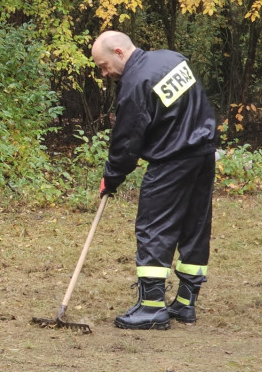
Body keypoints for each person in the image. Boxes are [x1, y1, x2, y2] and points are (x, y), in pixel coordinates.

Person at [91, 31, 217, 329]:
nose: (104, 73)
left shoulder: (135, 85)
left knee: (153, 227)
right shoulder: (172, 59)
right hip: (203, 154)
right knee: (195, 225)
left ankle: (151, 309)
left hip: (171, 160)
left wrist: (111, 179)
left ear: (119, 52)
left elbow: (126, 143)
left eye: (104, 65)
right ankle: (186, 304)